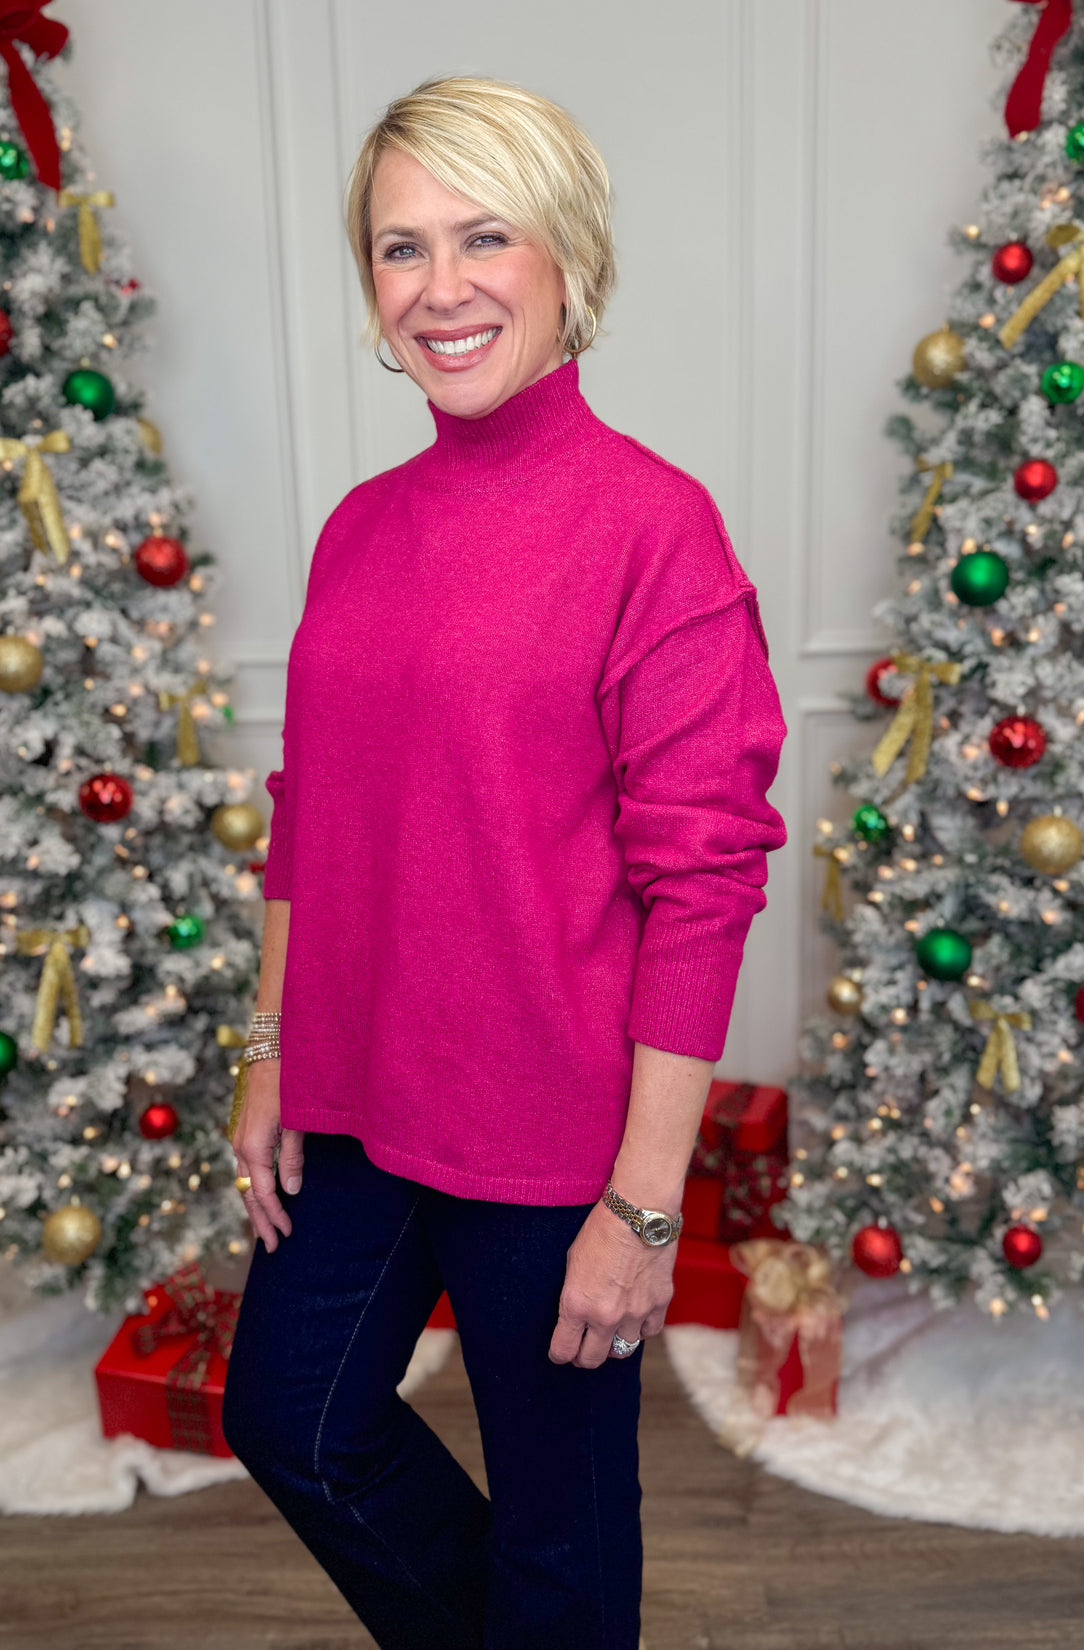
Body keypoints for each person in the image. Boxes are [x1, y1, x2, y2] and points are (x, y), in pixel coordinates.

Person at [220, 74, 787, 1650]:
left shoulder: (653, 529)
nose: (442, 286)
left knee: (560, 1524)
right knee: (295, 1421)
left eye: (485, 235)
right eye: (402, 247)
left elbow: (705, 880)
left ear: (565, 257)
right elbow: (306, 811)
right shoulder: (359, 527)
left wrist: (646, 1205)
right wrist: (272, 1050)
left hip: (556, 1135)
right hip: (359, 1097)